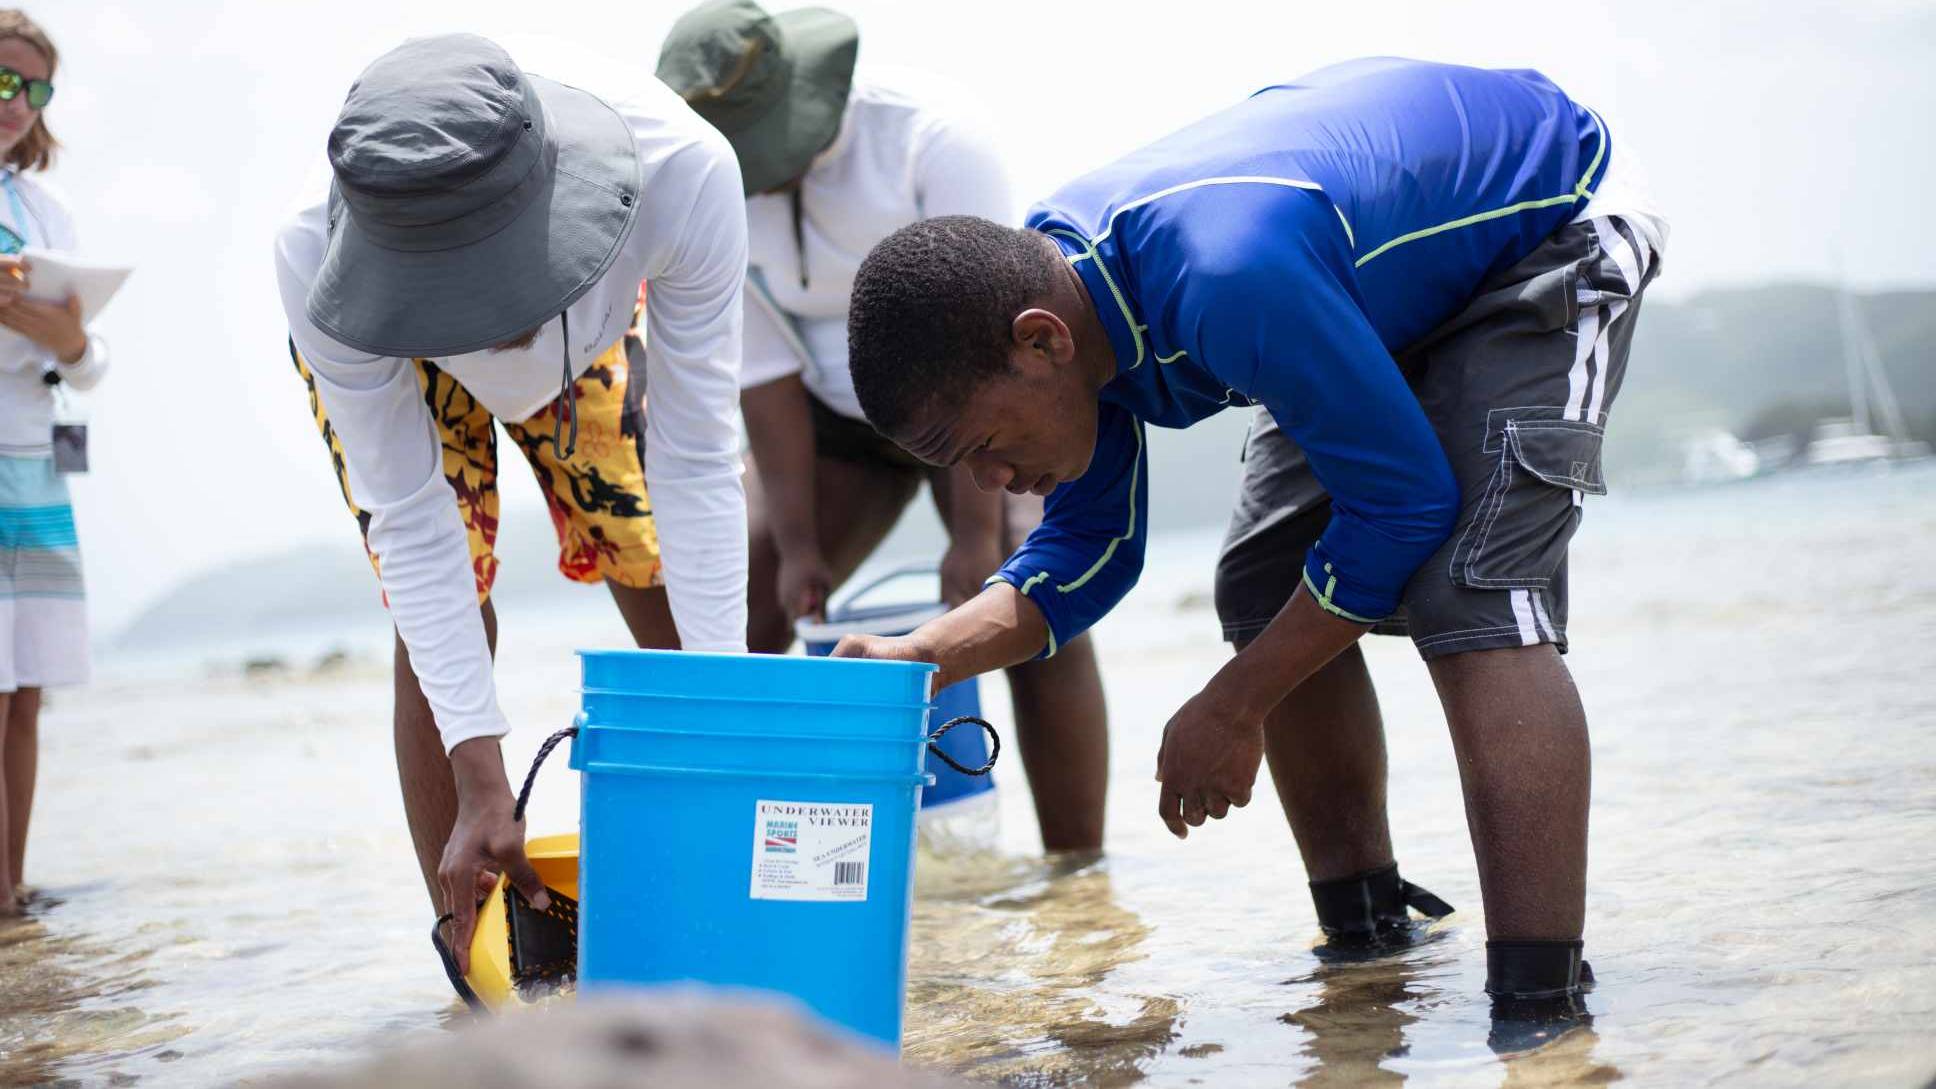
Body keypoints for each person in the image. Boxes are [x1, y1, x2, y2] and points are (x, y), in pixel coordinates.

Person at [834, 58, 1666, 1013]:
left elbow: (1404, 508)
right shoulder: (1055, 307)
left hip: (1543, 215)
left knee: (1470, 590)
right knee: (1263, 583)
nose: (990, 481)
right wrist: (919, 656)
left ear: (1042, 341)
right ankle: (1367, 947)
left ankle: (1540, 1007)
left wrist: (1234, 705)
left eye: (984, 445)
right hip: (1357, 276)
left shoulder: (1227, 278)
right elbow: (1091, 546)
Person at [273, 34, 748, 971]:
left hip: (596, 349)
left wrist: (727, 716)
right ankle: (469, 947)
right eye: (455, 298)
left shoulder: (684, 175)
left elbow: (697, 464)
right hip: (398, 359)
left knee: (648, 554)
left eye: (497, 287)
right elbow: (411, 525)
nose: (488, 328)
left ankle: (709, 871)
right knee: (445, 610)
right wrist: (483, 777)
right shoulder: (315, 264)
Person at [656, 1, 1109, 851]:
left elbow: (990, 349)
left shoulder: (932, 139)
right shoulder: (709, 190)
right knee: (740, 588)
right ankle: (736, 847)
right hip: (834, 422)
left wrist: (975, 536)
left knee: (1034, 574)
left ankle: (1077, 867)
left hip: (970, 394)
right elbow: (764, 377)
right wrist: (797, 548)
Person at [0, 11, 103, 918]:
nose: (17, 104)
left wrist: (70, 339)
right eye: (4, 80)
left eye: (35, 89)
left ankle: (14, 890)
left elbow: (91, 363)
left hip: (36, 463)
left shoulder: (47, 210)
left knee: (26, 691)